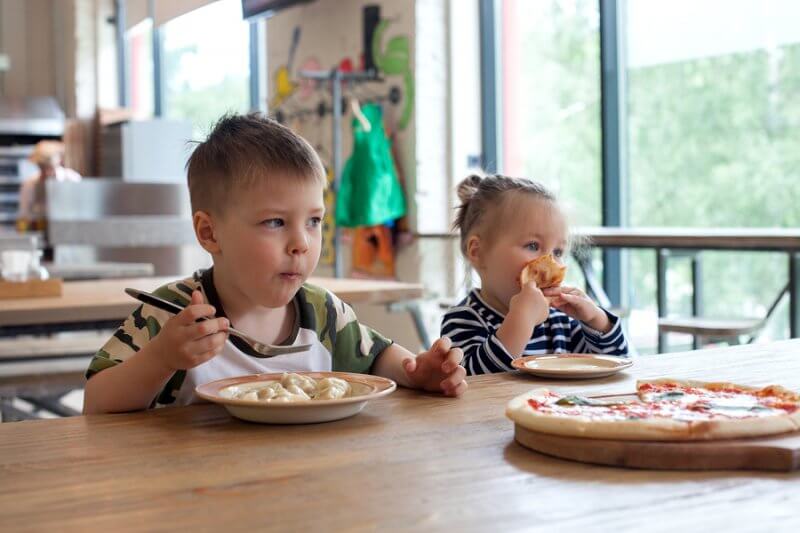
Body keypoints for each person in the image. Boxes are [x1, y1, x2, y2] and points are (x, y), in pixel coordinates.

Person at [83, 114, 467, 413]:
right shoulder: (173, 314)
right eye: (275, 222)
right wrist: (162, 358)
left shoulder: (321, 312)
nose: (301, 243)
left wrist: (419, 372)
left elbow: (379, 357)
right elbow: (96, 404)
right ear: (209, 233)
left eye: (314, 221)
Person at [440, 174, 629, 376]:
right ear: (477, 252)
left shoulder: (560, 321)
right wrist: (522, 320)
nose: (550, 264)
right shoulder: (463, 319)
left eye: (557, 252)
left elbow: (615, 364)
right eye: (533, 245)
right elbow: (470, 381)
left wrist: (596, 319)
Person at [17, 140, 81, 233]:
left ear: (59, 161)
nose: (46, 173)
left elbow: (81, 212)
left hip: (69, 233)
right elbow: (24, 215)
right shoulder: (30, 184)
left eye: (49, 167)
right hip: (40, 234)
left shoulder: (72, 180)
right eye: (42, 167)